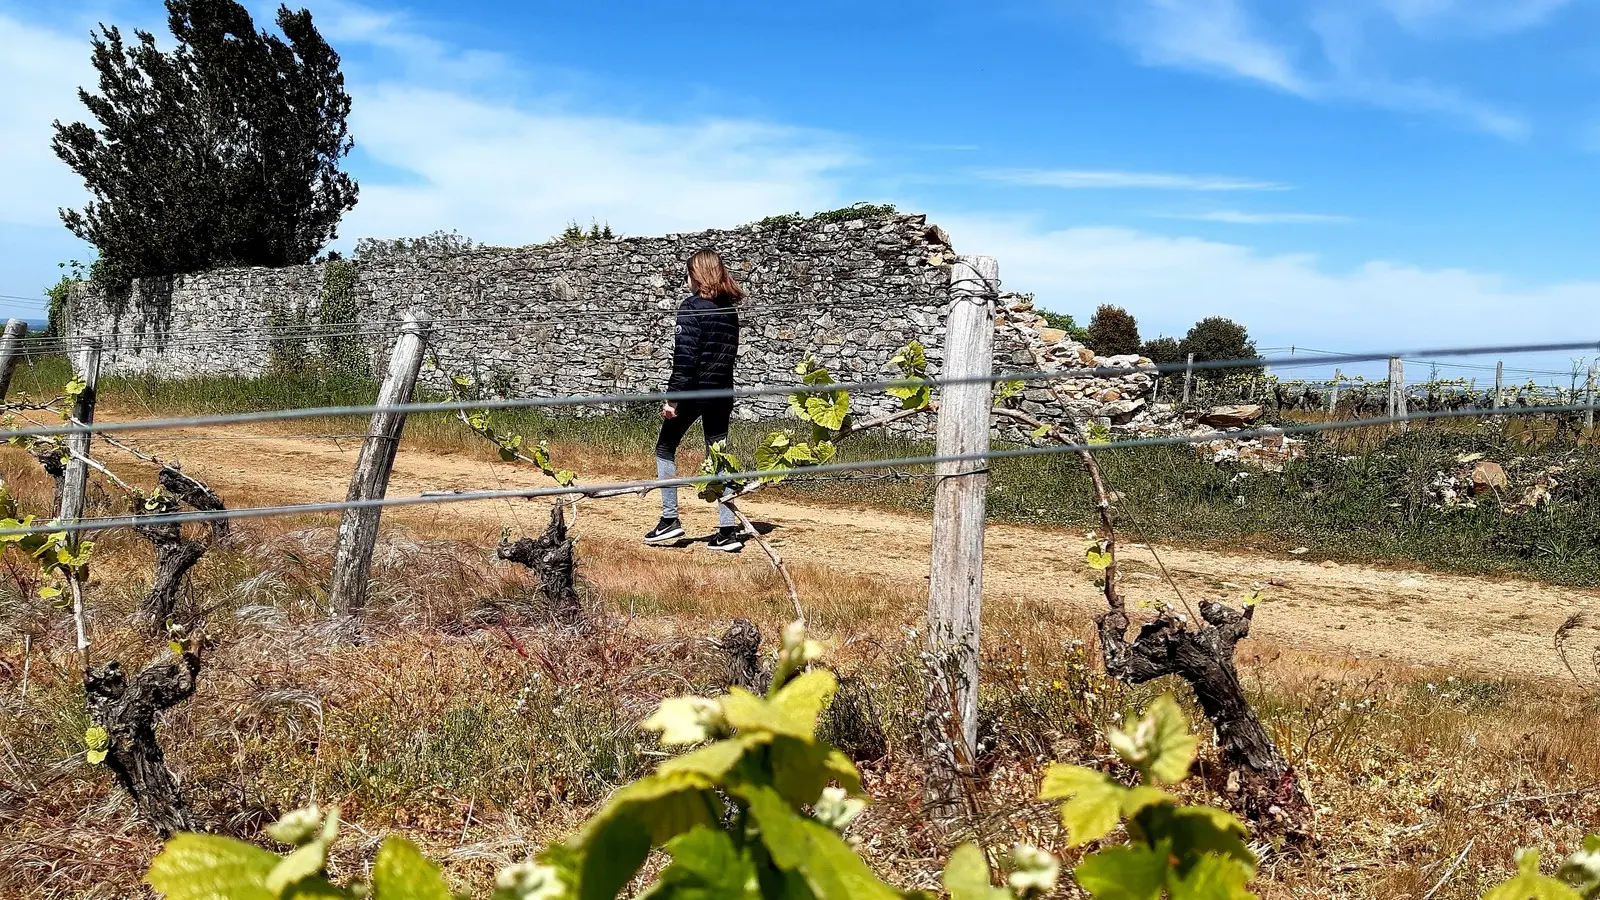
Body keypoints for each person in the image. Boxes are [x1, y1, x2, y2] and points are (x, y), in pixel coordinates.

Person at [644, 249, 745, 552]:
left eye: (688, 273)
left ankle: (669, 520)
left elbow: (685, 358)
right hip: (721, 393)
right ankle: (727, 532)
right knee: (719, 458)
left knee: (664, 449)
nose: (686, 279)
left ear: (696, 275)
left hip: (694, 392)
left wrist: (673, 399)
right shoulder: (729, 310)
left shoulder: (691, 307)